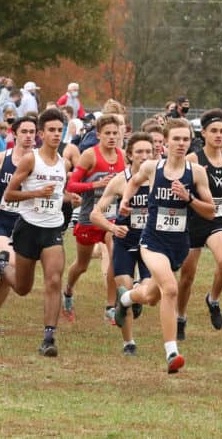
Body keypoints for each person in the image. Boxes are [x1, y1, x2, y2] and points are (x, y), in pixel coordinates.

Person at [112, 118, 216, 373]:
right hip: (152, 242)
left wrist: (189, 198)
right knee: (170, 289)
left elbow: (212, 212)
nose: (181, 144)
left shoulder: (197, 173)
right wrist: (125, 201)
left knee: (150, 296)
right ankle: (172, 353)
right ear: (165, 143)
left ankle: (125, 298)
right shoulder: (152, 167)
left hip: (179, 245)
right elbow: (134, 181)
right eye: (176, 139)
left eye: (185, 139)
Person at [0, 108, 68, 356]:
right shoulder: (31, 159)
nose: (56, 135)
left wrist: (66, 197)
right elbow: (9, 194)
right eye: (51, 130)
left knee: (53, 280)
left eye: (59, 130)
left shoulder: (63, 162)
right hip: (28, 228)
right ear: (42, 133)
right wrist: (36, 194)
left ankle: (49, 338)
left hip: (52, 228)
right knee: (22, 287)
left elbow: (59, 193)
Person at [90, 132, 155, 355]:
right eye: (139, 152)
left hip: (151, 245)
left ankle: (131, 298)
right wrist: (112, 227)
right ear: (129, 155)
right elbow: (95, 214)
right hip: (124, 243)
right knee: (124, 287)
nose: (144, 156)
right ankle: (129, 343)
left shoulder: (160, 178)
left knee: (149, 294)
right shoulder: (120, 180)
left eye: (148, 151)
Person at [0, 116, 37, 332]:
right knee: (10, 262)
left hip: (25, 222)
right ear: (14, 133)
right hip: (1, 218)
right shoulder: (2, 158)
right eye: (25, 131)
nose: (29, 136)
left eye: (32, 132)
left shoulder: (39, 161)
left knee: (12, 273)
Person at [63, 114, 125, 322]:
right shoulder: (90, 155)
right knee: (82, 265)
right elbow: (72, 185)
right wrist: (95, 185)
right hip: (89, 218)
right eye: (107, 133)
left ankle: (110, 306)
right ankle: (68, 292)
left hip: (111, 218)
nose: (112, 137)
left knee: (114, 256)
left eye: (115, 133)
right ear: (98, 134)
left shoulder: (122, 156)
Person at [177, 109, 222, 337]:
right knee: (187, 276)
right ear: (204, 133)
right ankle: (180, 317)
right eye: (214, 131)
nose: (218, 135)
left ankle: (213, 299)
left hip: (217, 220)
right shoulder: (193, 159)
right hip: (192, 221)